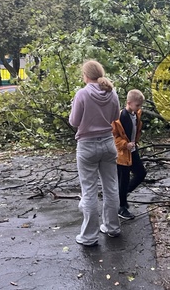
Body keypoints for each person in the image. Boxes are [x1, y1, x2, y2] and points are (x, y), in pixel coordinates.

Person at [69, 60, 121, 246]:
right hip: (108, 143)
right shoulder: (112, 92)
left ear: (86, 75)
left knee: (89, 191)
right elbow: (115, 118)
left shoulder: (82, 94)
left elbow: (74, 122)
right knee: (111, 187)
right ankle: (112, 227)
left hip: (87, 146)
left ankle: (89, 236)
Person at [112, 89, 147, 220]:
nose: (139, 108)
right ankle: (122, 207)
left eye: (140, 105)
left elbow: (135, 130)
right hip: (122, 153)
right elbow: (114, 136)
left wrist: (134, 143)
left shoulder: (136, 115)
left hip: (132, 150)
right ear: (129, 102)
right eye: (137, 105)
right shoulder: (120, 117)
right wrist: (125, 145)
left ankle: (124, 194)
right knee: (123, 178)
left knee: (141, 173)